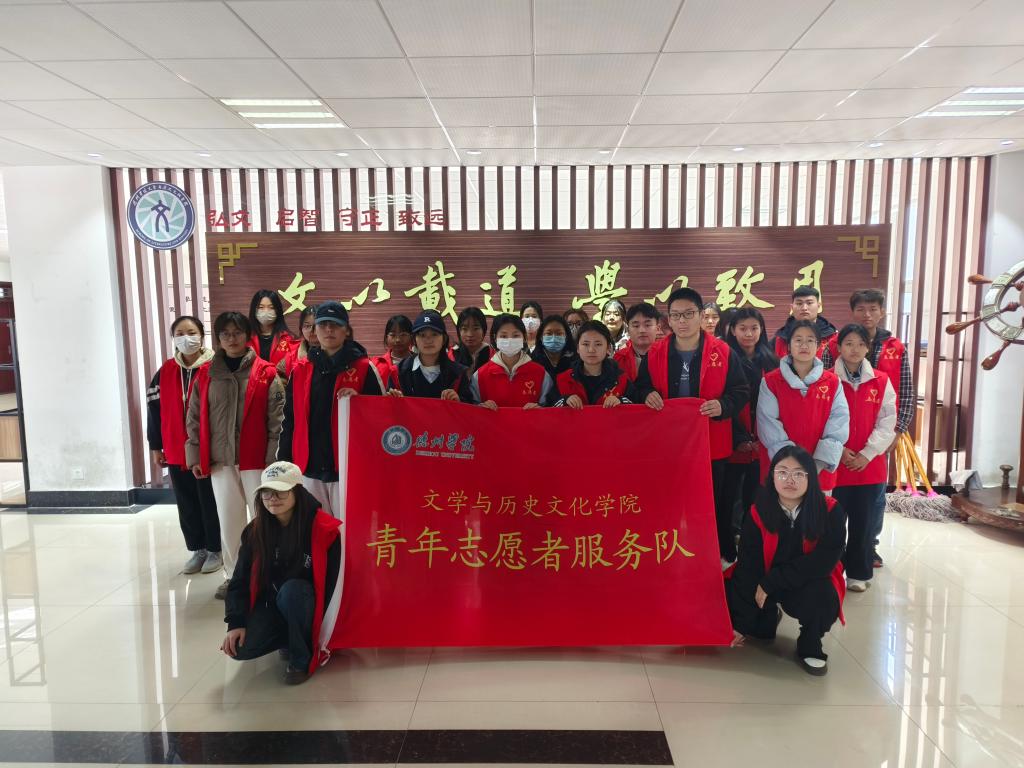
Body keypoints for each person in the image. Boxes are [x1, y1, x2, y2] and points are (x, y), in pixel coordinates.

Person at [633, 287, 750, 567]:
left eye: (688, 314)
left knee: (713, 503)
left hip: (712, 442)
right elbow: (639, 387)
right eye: (676, 315)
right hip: (668, 445)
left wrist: (723, 405)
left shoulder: (723, 352)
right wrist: (647, 394)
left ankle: (717, 558)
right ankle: (674, 555)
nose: (682, 321)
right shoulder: (656, 353)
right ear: (668, 320)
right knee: (671, 502)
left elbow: (742, 390)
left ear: (700, 315)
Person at [186, 312, 285, 600]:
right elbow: (194, 417)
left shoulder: (266, 373)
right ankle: (234, 577)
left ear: (247, 335)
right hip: (221, 461)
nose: (232, 339)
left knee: (266, 520)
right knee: (229, 522)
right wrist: (195, 455)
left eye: (237, 332)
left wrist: (273, 459)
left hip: (257, 460)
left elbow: (278, 420)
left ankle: (268, 576)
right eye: (225, 334)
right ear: (218, 338)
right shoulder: (206, 374)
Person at [726, 445, 847, 676]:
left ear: (810, 477)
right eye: (782, 472)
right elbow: (748, 566)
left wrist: (772, 581)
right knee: (727, 595)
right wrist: (741, 624)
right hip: (763, 579)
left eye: (798, 473)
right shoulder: (757, 512)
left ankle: (810, 643)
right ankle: (767, 616)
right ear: (772, 477)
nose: (789, 480)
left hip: (806, 581)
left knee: (823, 597)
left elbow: (823, 562)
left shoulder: (830, 511)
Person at [222, 461, 341, 686]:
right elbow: (240, 580)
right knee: (239, 648)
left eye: (281, 491)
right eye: (266, 492)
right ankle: (289, 636)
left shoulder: (323, 529)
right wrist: (235, 622)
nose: (272, 498)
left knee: (292, 592)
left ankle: (300, 659)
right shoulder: (255, 531)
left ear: (297, 492)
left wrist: (326, 632)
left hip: (307, 604)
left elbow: (335, 585)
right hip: (272, 603)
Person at [822, 288, 913, 569]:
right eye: (861, 309)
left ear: (882, 311)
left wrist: (897, 431)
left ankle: (867, 549)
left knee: (872, 499)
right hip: (839, 443)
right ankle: (834, 557)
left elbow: (905, 392)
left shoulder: (895, 347)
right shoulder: (833, 346)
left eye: (873, 309)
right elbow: (823, 395)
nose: (867, 314)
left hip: (880, 433)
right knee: (836, 503)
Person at [278, 302, 384, 520]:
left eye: (335, 325)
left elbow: (381, 417)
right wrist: (285, 461)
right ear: (315, 330)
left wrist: (360, 402)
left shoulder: (364, 368)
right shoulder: (301, 370)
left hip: (348, 468)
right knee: (316, 529)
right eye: (323, 324)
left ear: (346, 330)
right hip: (309, 467)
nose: (328, 330)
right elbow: (289, 420)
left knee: (349, 528)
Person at [147, 316, 221, 575]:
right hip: (177, 449)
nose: (186, 338)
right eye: (179, 333)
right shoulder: (166, 371)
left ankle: (216, 549)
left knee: (210, 500)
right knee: (186, 502)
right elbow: (154, 410)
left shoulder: (215, 367)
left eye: (191, 332)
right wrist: (156, 446)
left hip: (209, 449)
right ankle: (197, 548)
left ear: (201, 335)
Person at [830, 324, 896, 592]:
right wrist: (839, 449)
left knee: (864, 524)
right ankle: (832, 573)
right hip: (836, 463)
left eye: (860, 344)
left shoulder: (881, 380)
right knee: (833, 524)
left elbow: (887, 422)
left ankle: (858, 573)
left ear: (868, 348)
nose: (854, 349)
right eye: (848, 343)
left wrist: (867, 453)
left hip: (869, 466)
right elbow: (821, 419)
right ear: (839, 347)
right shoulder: (827, 380)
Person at [757, 319, 849, 495]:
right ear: (789, 346)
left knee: (818, 512)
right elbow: (768, 424)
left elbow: (839, 423)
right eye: (798, 340)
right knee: (780, 512)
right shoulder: (770, 381)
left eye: (810, 340)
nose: (804, 345)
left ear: (818, 345)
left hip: (819, 471)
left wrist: (816, 466)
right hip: (781, 469)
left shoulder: (832, 382)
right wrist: (792, 466)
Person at [721, 308, 779, 536]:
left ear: (762, 330)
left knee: (756, 498)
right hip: (733, 440)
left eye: (754, 328)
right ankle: (728, 542)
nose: (748, 334)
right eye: (742, 328)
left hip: (763, 442)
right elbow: (724, 401)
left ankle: (752, 541)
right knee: (729, 497)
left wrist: (761, 438)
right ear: (732, 330)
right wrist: (739, 438)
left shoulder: (771, 361)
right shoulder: (724, 359)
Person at [470, 313, 553, 409]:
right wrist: (480, 408)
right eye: (503, 336)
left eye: (516, 335)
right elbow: (470, 410)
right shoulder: (480, 376)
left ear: (524, 337)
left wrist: (540, 410)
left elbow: (552, 409)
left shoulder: (541, 374)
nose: (510, 340)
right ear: (495, 338)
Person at [388, 310, 472, 401]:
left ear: (444, 339)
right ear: (414, 340)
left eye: (434, 334)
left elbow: (470, 406)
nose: (428, 340)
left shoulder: (458, 373)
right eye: (422, 335)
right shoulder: (398, 373)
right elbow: (388, 407)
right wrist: (393, 400)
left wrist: (459, 400)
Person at [545, 321, 630, 408]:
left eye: (598, 344)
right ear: (578, 348)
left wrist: (620, 400)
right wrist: (565, 400)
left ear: (608, 348)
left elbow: (635, 405)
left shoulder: (620, 379)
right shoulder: (564, 379)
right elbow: (547, 407)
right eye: (585, 344)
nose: (591, 350)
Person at [771, 286, 837, 359]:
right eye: (799, 303)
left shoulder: (833, 338)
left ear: (818, 306)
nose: (804, 308)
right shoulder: (779, 340)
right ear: (792, 307)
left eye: (809, 303)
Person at [248, 290, 297, 368]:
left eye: (271, 307)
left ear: (278, 310)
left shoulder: (289, 338)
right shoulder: (246, 338)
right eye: (261, 307)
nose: (266, 311)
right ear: (254, 310)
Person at [614, 303, 659, 382]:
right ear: (628, 330)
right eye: (636, 326)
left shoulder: (668, 355)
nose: (642, 330)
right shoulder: (619, 358)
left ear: (658, 328)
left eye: (647, 325)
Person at [372, 315, 413, 391]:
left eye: (403, 335)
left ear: (411, 337)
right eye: (393, 335)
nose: (398, 340)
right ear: (386, 338)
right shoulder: (375, 365)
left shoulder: (420, 362)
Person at [279, 305, 319, 379]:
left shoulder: (335, 353)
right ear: (301, 328)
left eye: (316, 326)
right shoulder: (291, 357)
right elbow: (279, 380)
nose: (312, 330)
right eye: (307, 326)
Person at [451, 306, 493, 376]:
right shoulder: (450, 356)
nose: (470, 334)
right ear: (459, 331)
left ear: (483, 331)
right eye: (464, 329)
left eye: (476, 329)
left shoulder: (493, 356)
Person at [531, 315, 575, 380]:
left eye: (559, 333)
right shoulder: (533, 360)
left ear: (566, 337)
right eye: (549, 333)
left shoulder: (575, 359)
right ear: (541, 337)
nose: (553, 338)